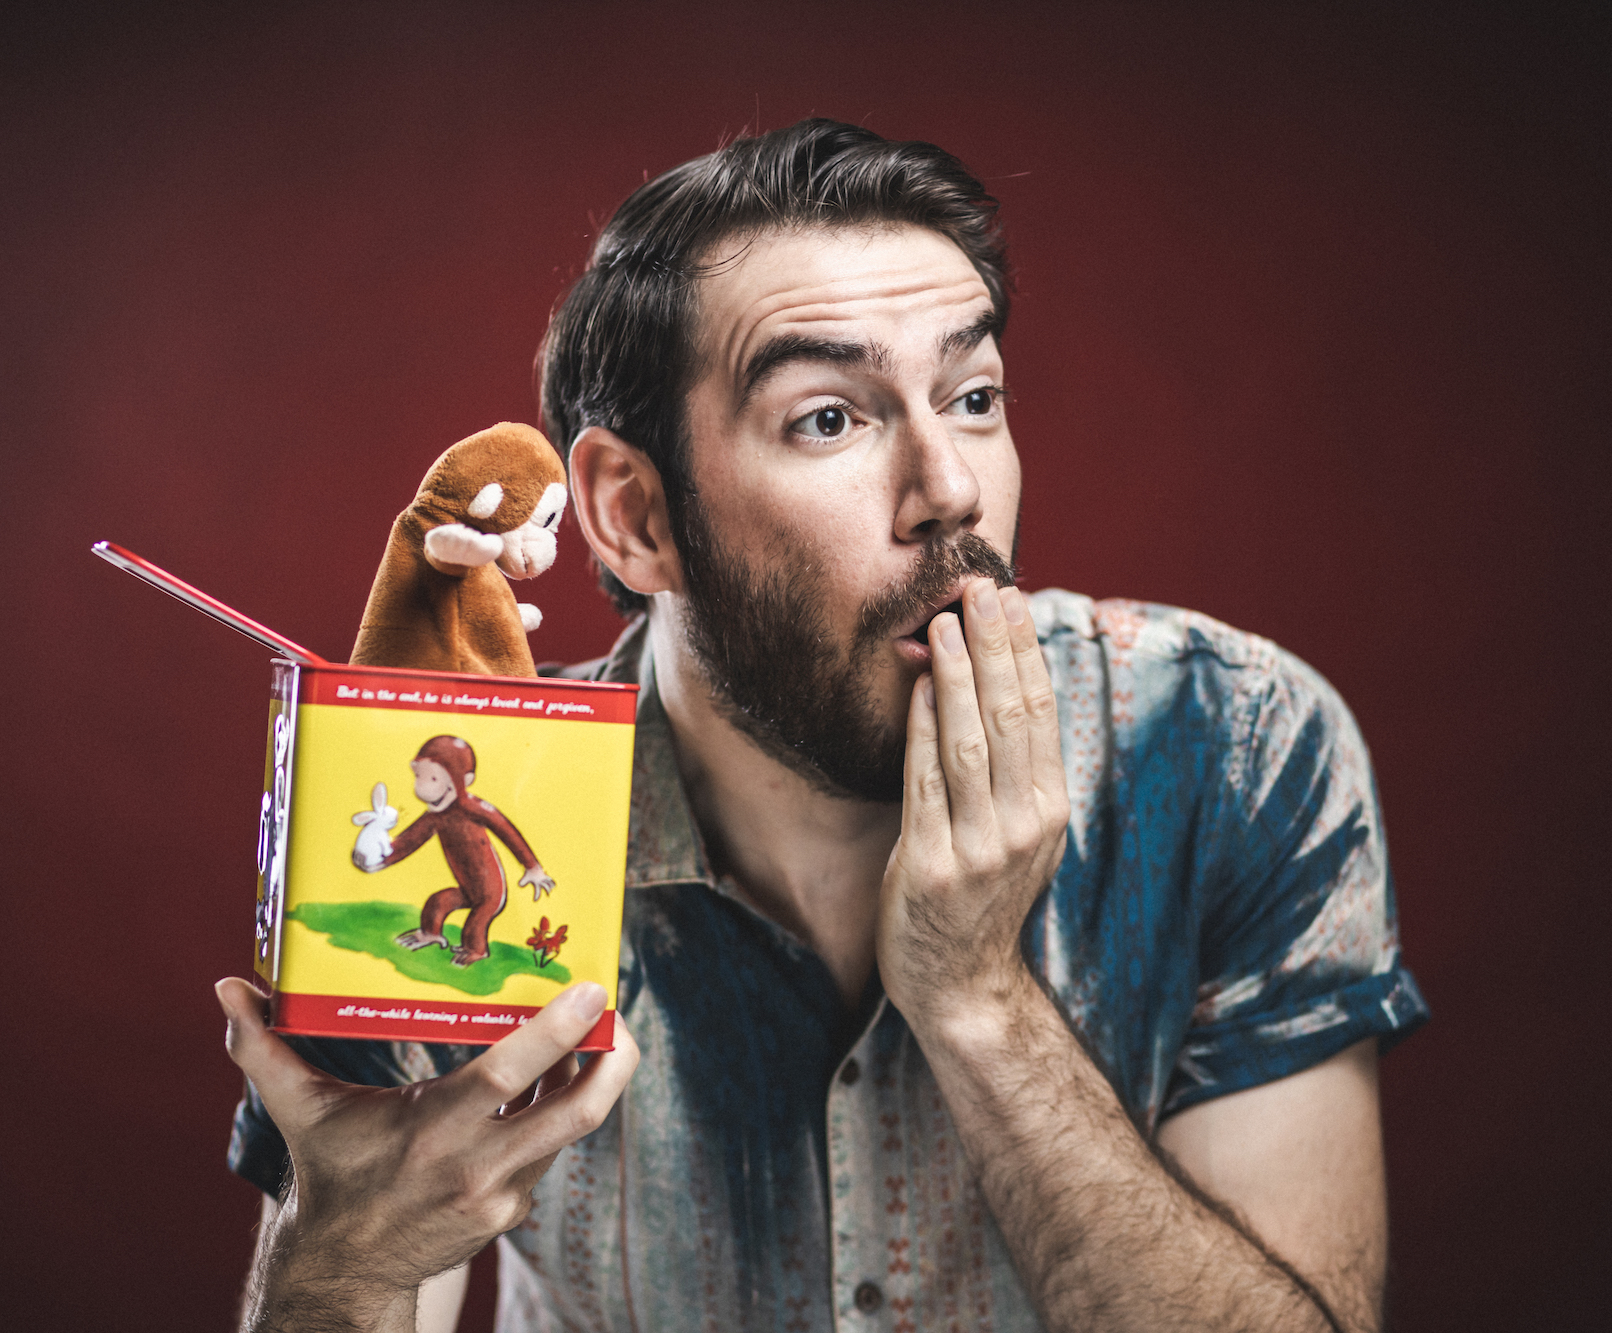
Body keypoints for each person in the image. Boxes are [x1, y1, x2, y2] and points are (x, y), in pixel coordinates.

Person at [216, 118, 1427, 1332]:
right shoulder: (473, 789)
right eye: (828, 419)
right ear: (633, 518)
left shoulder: (1231, 741)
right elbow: (354, 1271)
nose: (949, 487)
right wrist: (346, 1260)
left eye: (971, 395)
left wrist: (977, 1001)